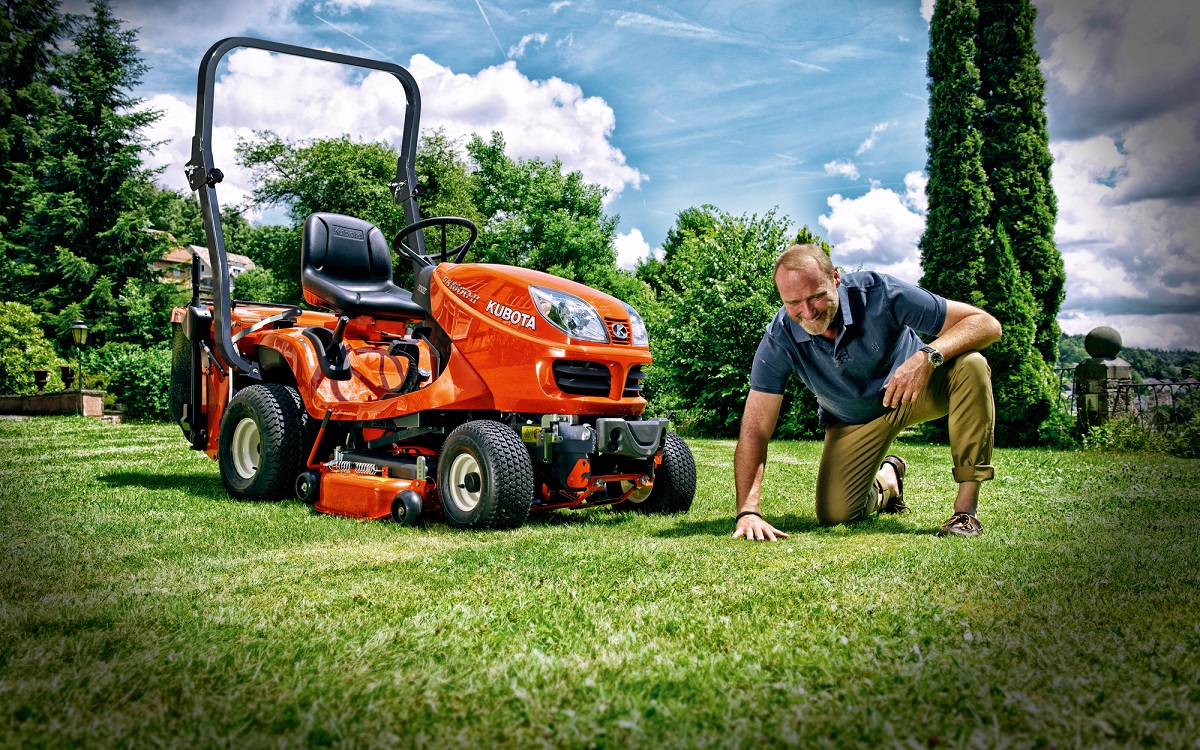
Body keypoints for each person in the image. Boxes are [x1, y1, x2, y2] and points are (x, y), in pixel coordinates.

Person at [732, 244, 1002, 541]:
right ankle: (889, 480)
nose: (807, 312)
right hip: (852, 420)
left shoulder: (880, 292)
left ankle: (965, 511)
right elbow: (755, 429)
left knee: (972, 364)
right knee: (836, 514)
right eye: (793, 302)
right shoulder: (779, 339)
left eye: (816, 296)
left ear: (835, 277)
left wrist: (927, 356)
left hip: (915, 392)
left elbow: (986, 324)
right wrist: (748, 511)